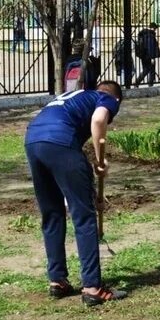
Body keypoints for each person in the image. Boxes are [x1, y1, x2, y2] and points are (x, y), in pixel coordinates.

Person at [24, 81, 127, 306]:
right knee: (84, 215)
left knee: (52, 213)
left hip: (33, 140)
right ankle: (92, 287)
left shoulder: (73, 95)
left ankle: (57, 280)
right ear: (116, 100)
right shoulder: (107, 98)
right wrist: (100, 161)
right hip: (61, 142)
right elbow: (99, 119)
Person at [134, 22, 160, 87]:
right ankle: (139, 82)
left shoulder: (143, 34)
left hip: (143, 55)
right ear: (153, 28)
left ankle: (148, 83)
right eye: (155, 28)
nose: (155, 30)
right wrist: (152, 58)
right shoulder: (150, 35)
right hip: (149, 55)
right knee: (148, 69)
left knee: (148, 69)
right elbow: (150, 47)